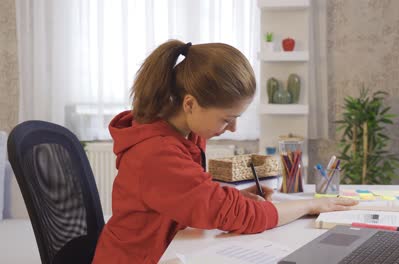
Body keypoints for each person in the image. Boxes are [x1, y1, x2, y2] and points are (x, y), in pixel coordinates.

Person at [92, 40, 358, 263]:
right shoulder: (156, 153)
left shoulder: (184, 134)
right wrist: (311, 204)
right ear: (190, 104)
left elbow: (186, 198)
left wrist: (234, 197)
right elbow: (238, 216)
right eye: (226, 118)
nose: (232, 128)